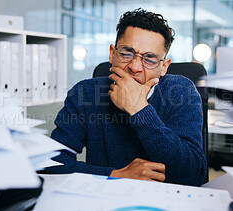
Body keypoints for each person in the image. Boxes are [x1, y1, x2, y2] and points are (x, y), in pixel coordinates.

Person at [42, 8, 206, 186]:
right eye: (127, 53)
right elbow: (51, 164)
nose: (135, 67)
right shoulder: (85, 93)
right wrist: (116, 174)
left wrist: (139, 109)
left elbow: (193, 175)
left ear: (164, 66)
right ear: (112, 54)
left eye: (149, 59)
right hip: (102, 197)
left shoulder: (181, 91)